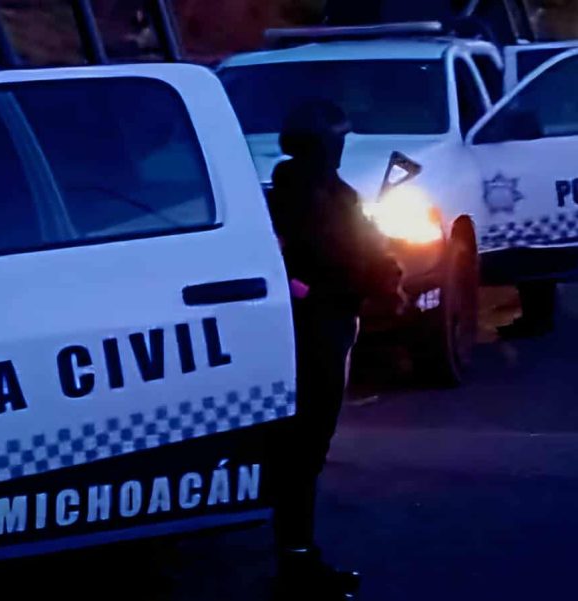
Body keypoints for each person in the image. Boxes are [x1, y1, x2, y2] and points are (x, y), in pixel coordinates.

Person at [266, 99, 404, 600]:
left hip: (322, 322)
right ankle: (297, 560)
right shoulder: (313, 198)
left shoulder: (300, 192)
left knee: (303, 449)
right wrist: (382, 280)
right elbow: (351, 256)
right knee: (305, 448)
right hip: (317, 328)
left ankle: (298, 553)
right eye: (337, 140)